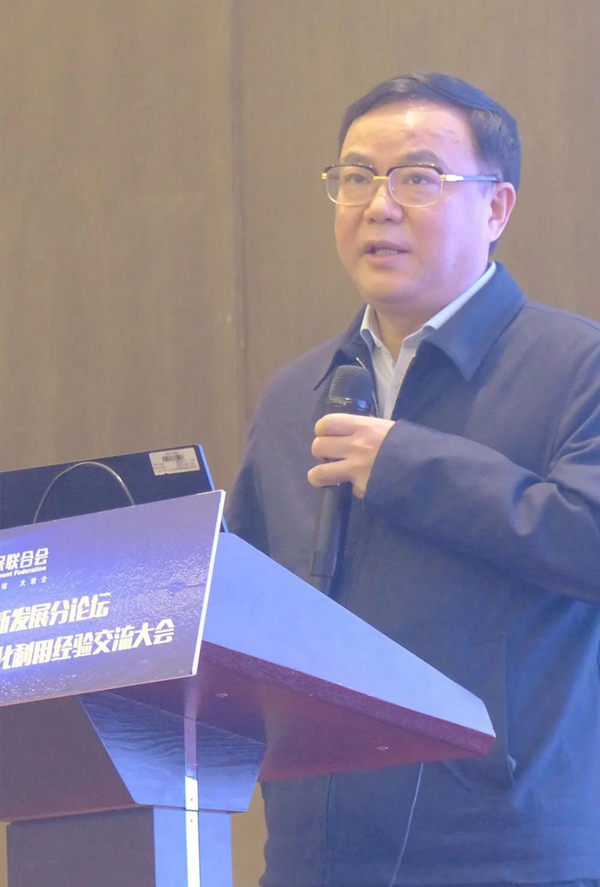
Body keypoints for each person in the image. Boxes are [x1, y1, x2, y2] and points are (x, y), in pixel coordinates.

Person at [225, 72, 600, 887]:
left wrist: (407, 466)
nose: (378, 205)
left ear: (497, 208)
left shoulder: (580, 367)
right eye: (356, 177)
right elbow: (246, 605)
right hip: (314, 856)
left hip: (508, 853)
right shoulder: (296, 393)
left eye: (418, 178)